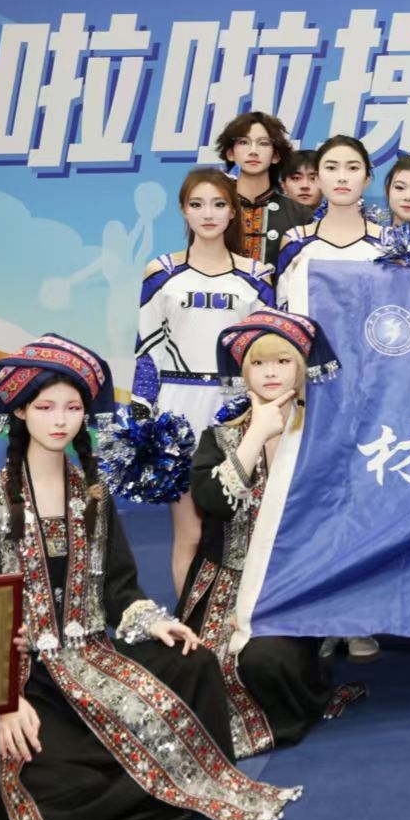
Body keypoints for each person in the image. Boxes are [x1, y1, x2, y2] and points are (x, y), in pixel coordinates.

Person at [0, 335, 298, 820]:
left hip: (95, 654)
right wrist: (3, 701)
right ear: (19, 411)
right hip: (24, 677)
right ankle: (127, 781)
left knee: (195, 661)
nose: (60, 420)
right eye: (45, 407)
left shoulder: (92, 495)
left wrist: (154, 623)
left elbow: (119, 590)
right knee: (52, 778)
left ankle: (141, 779)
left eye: (72, 408)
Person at [183, 310, 366, 739]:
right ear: (244, 372)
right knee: (193, 671)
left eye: (282, 361)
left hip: (292, 588)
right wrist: (255, 435)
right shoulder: (219, 438)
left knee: (265, 661)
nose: (270, 372)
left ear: (300, 369)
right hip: (223, 586)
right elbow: (213, 503)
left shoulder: (323, 439)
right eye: (259, 362)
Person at [134, 168, 276, 595]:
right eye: (197, 204)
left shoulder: (257, 275)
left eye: (218, 204)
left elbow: (267, 351)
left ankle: (237, 622)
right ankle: (190, 627)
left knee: (245, 533)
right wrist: (142, 414)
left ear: (233, 211)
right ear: (184, 211)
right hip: (177, 408)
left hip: (238, 408)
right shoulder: (161, 271)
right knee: (190, 533)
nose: (208, 214)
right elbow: (147, 350)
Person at [274, 136, 385, 320]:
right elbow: (282, 308)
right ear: (318, 179)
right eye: (331, 168)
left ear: (367, 179)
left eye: (353, 168)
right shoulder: (296, 240)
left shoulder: (388, 242)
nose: (342, 178)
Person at [214, 111, 304, 262]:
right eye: (244, 142)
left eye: (263, 143)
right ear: (230, 153)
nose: (253, 151)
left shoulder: (299, 215)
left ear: (275, 155)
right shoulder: (213, 210)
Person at [281, 149, 322, 215]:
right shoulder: (268, 219)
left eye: (313, 178)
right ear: (283, 186)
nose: (305, 185)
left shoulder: (338, 220)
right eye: (296, 178)